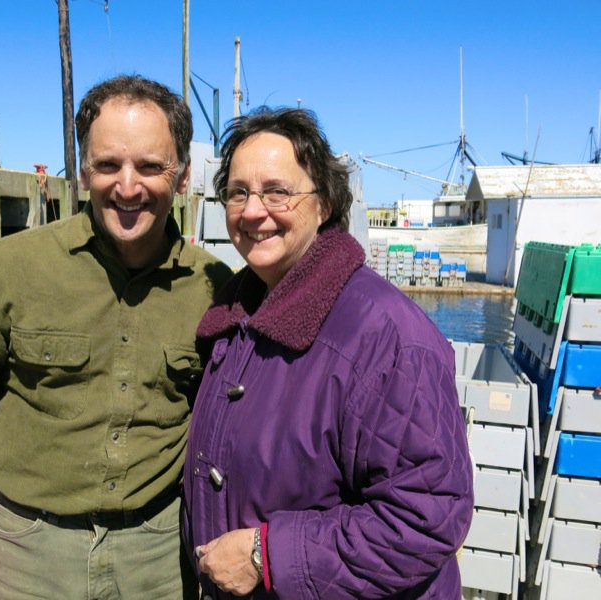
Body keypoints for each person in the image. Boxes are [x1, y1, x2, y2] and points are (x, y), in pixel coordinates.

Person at [0, 74, 232, 599]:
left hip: (162, 550)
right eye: (107, 165)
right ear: (81, 171)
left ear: (183, 175)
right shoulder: (9, 269)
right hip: (32, 548)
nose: (127, 186)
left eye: (150, 166)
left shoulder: (217, 290)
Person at [182, 107, 474, 599]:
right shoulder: (236, 316)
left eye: (278, 191)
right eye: (238, 192)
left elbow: (428, 515)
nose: (254, 210)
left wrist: (263, 555)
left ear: (324, 204)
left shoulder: (386, 336)